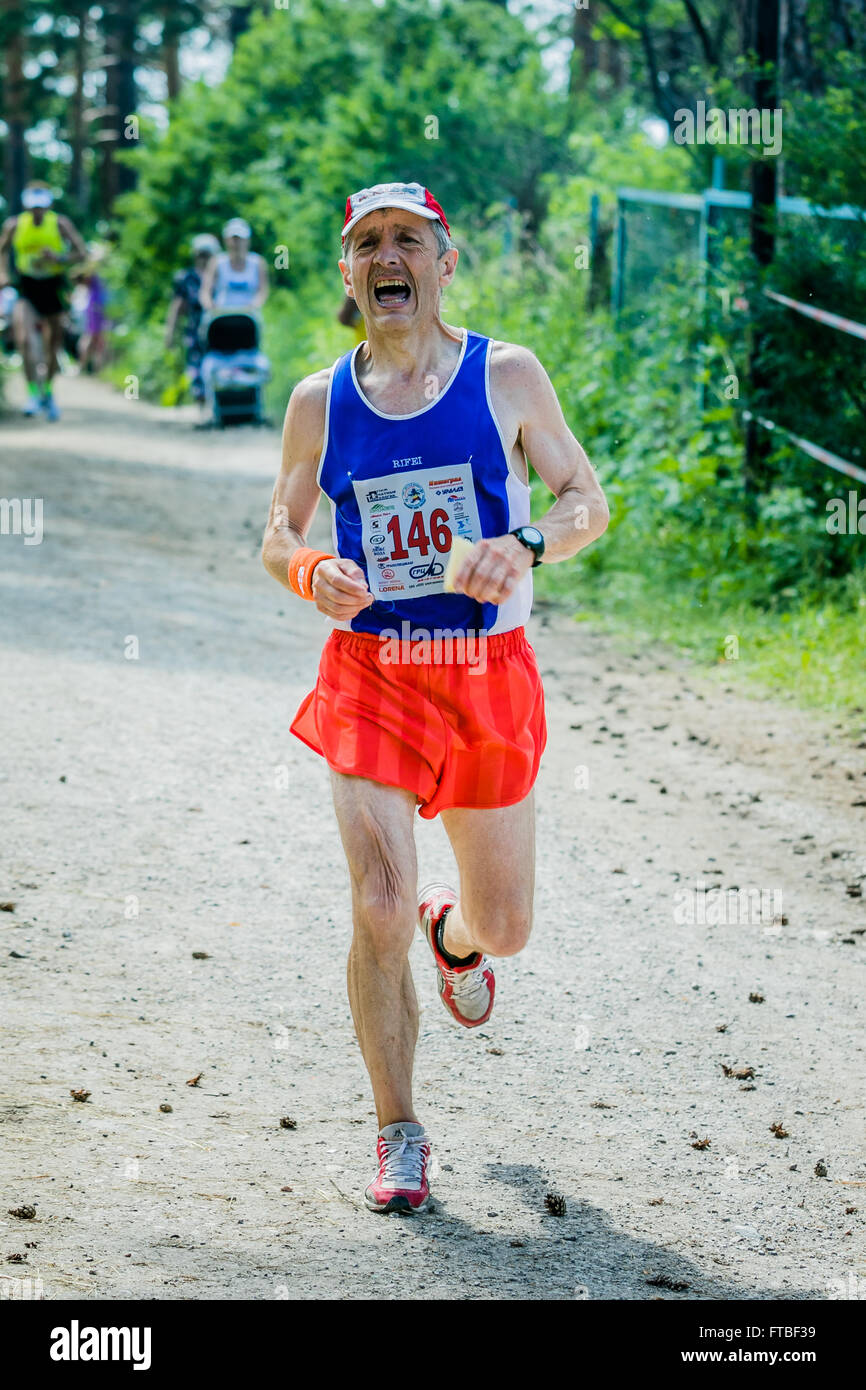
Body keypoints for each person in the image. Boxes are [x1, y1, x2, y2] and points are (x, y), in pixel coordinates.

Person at [261, 181, 609, 1214]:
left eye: (405, 239)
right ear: (348, 272)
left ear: (442, 262)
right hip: (372, 673)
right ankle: (396, 1130)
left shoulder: (505, 373)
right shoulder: (319, 399)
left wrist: (527, 542)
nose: (386, 257)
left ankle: (450, 931)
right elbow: (277, 530)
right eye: (365, 243)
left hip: (483, 678)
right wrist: (304, 570)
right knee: (373, 904)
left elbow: (584, 498)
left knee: (505, 927)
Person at [0, 181, 87, 419]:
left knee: (53, 344)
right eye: (33, 208)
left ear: (47, 206)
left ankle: (47, 392)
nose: (37, 212)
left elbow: (82, 253)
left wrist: (58, 257)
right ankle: (31, 393)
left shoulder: (60, 224)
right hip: (26, 287)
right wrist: (3, 274)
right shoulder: (14, 224)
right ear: (27, 207)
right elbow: (2, 250)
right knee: (25, 340)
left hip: (53, 286)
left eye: (41, 208)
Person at [164, 233, 219, 402]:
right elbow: (177, 307)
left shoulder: (221, 275)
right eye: (200, 254)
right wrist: (170, 333)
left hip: (220, 331)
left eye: (207, 255)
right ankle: (202, 406)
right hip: (195, 332)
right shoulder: (186, 278)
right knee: (196, 370)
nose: (203, 259)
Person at [199, 218, 269, 312]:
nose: (237, 243)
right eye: (233, 239)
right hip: (221, 314)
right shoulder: (216, 262)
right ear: (226, 240)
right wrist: (210, 306)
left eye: (240, 239)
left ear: (247, 240)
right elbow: (205, 291)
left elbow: (263, 291)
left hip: (249, 316)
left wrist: (254, 305)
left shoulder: (258, 262)